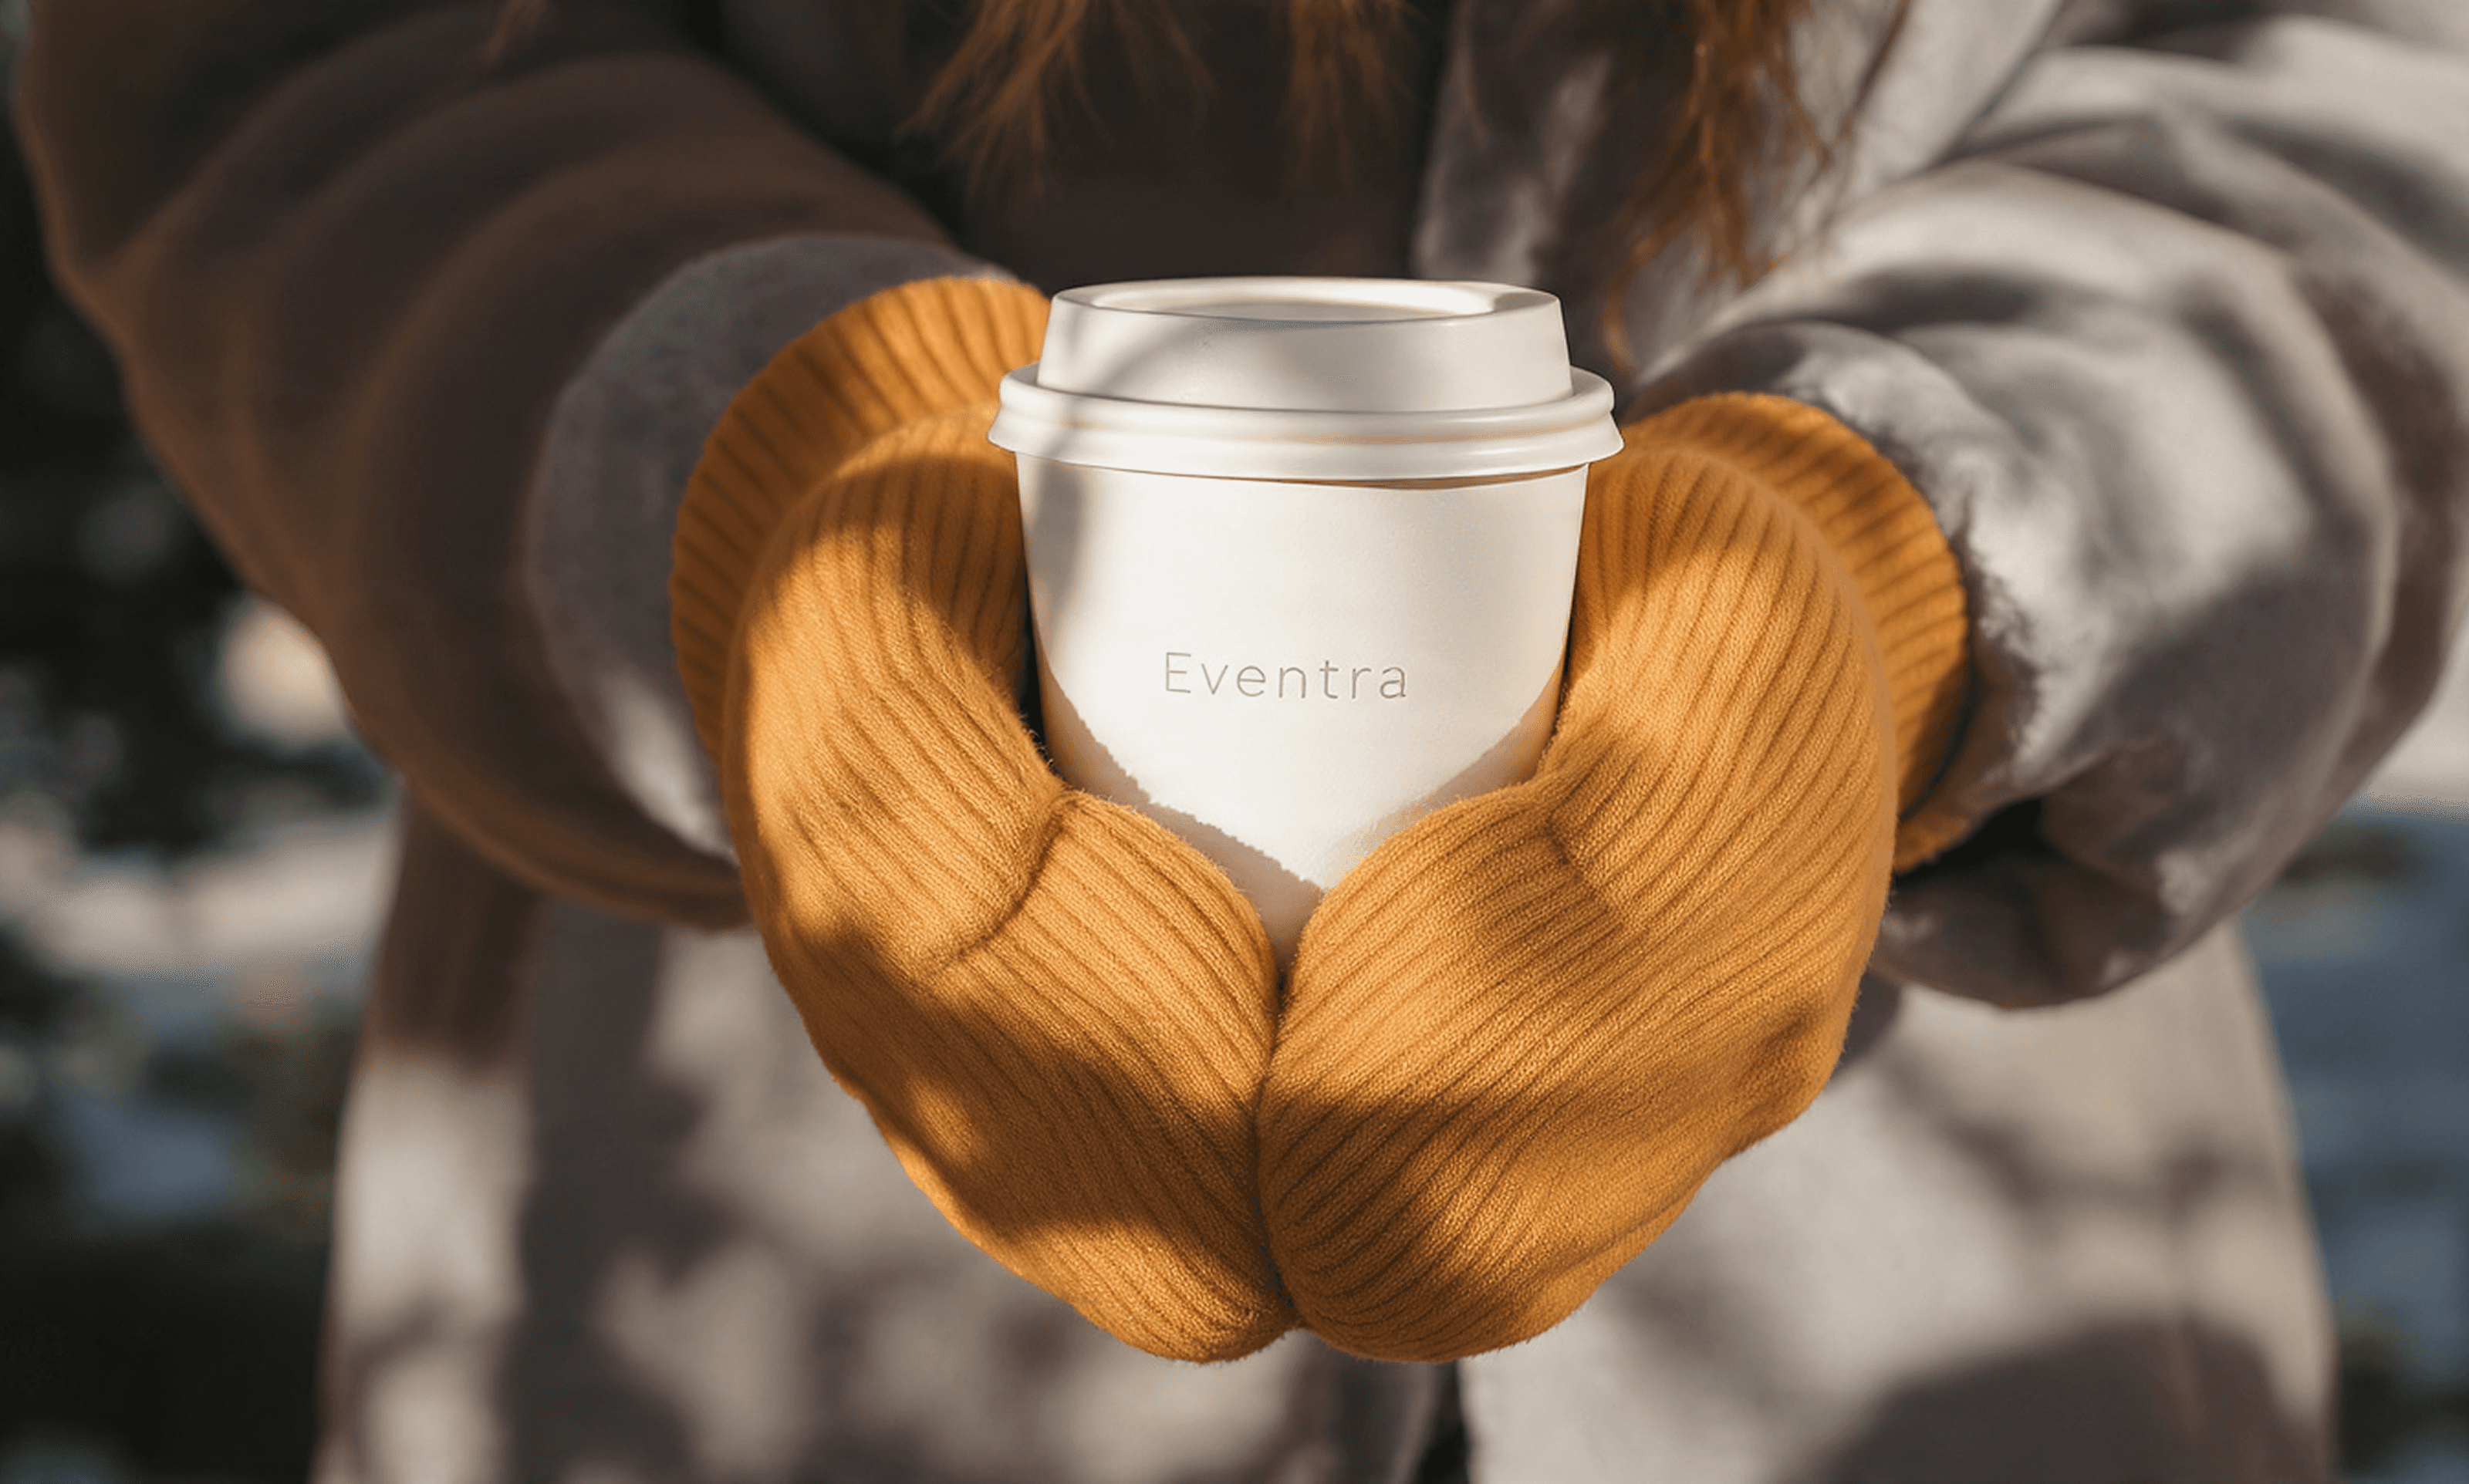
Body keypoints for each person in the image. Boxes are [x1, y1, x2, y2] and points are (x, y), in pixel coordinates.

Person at [19, 0, 2469, 1477]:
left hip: (1928, 1240)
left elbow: (2351, 85)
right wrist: (764, 483)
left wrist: (1909, 554)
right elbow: (279, 68)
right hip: (744, 1205)